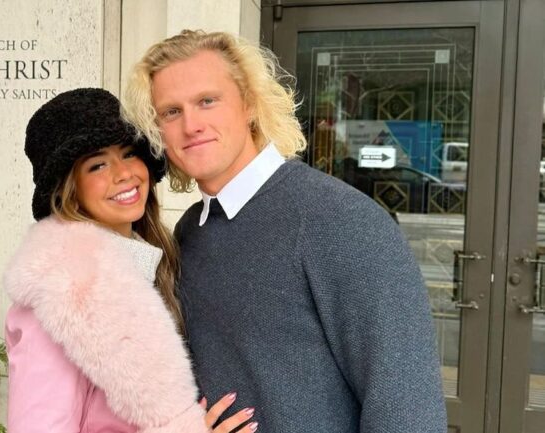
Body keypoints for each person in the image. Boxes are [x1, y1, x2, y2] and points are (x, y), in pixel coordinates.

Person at [122, 30, 447, 433]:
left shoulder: (342, 222)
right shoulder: (191, 231)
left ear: (249, 105)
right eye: (171, 112)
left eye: (207, 100)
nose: (191, 125)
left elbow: (407, 411)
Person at [3, 88, 257, 433]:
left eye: (129, 154)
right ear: (69, 188)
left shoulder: (157, 265)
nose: (124, 174)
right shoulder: (57, 299)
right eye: (97, 165)